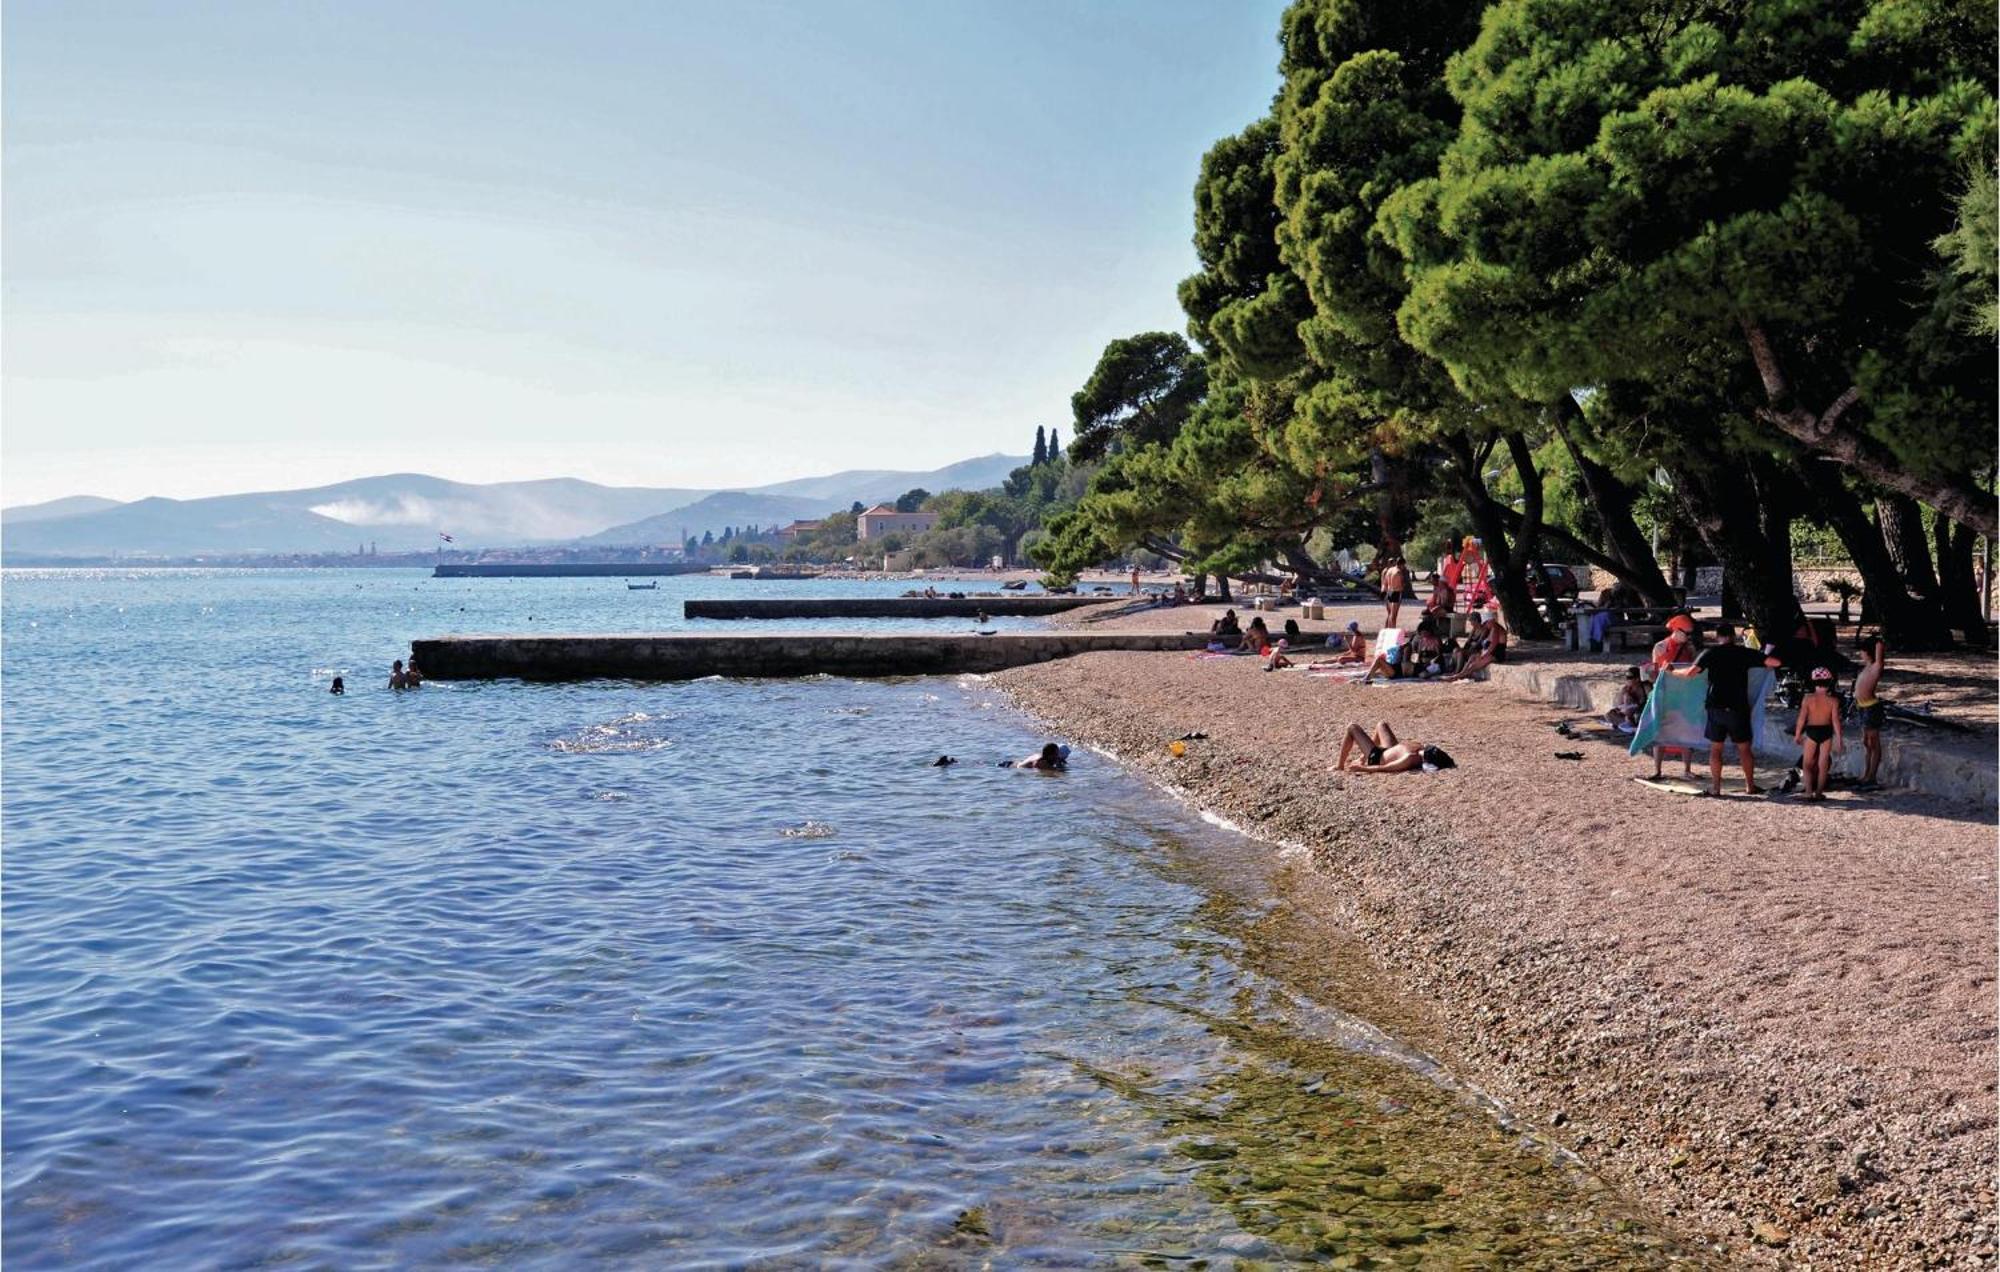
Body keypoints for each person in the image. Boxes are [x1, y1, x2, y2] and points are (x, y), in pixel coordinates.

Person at [1675, 623, 1783, 796]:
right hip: (1738, 707)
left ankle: (1716, 788)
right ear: (1733, 636)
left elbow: (1690, 673)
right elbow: (1775, 662)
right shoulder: (1744, 653)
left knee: (1716, 748)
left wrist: (1672, 671)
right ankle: (1750, 786)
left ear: (1718, 636)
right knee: (1744, 749)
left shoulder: (1710, 653)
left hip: (1716, 705)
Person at [1792, 665, 1844, 801]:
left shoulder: (1808, 699)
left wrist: (1797, 734)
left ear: (1813, 682)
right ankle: (1819, 792)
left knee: (1807, 764)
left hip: (1812, 731)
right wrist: (1839, 739)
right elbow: (1835, 721)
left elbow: (1802, 719)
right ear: (1829, 682)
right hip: (1826, 732)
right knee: (1823, 765)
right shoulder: (1833, 701)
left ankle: (1809, 792)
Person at [1853, 636, 1887, 787]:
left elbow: (1879, 649)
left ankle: (1872, 777)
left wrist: (1877, 641)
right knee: (1866, 743)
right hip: (1862, 706)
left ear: (1868, 652)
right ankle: (1866, 775)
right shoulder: (1866, 667)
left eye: (1862, 651)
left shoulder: (1875, 667)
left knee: (1874, 743)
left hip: (1871, 707)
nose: (1860, 653)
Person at [1442, 608, 1509, 681]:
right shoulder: (1492, 627)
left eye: (1486, 623)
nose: (1485, 625)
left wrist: (1483, 655)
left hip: (1496, 654)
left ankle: (1457, 676)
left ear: (1490, 621)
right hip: (1491, 652)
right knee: (1472, 657)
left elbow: (1493, 645)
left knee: (1475, 665)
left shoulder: (1496, 628)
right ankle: (1461, 673)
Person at [1334, 720, 1426, 773]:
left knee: (1352, 727)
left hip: (1378, 758)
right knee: (1382, 724)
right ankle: (1362, 758)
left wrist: (1362, 768)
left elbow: (1386, 767)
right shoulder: (1422, 749)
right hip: (1390, 750)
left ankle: (1340, 765)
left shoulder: (1410, 757)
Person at [1605, 666, 1647, 731]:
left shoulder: (1645, 687)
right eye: (1626, 678)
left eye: (1629, 678)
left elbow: (1651, 701)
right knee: (1609, 715)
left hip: (1642, 712)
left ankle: (1630, 724)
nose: (1627, 680)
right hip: (1629, 714)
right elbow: (1619, 705)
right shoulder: (1626, 689)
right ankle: (1629, 724)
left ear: (1637, 679)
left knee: (1637, 716)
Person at [1380, 556, 1406, 628]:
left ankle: (1388, 629)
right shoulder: (1398, 572)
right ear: (1402, 564)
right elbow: (1401, 584)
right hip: (1396, 593)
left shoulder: (1389, 570)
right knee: (1394, 615)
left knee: (1390, 614)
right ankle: (1393, 630)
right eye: (1404, 565)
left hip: (1389, 592)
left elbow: (1385, 582)